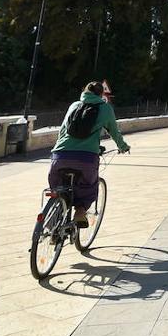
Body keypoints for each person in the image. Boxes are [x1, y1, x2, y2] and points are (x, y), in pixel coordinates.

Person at [49, 81, 130, 227]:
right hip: (86, 158)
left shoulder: (74, 106)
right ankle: (80, 211)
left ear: (84, 92)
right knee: (89, 186)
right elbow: (114, 131)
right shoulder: (105, 108)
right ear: (101, 94)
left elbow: (62, 131)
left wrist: (61, 150)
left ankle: (53, 220)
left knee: (57, 188)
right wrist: (123, 146)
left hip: (60, 155)